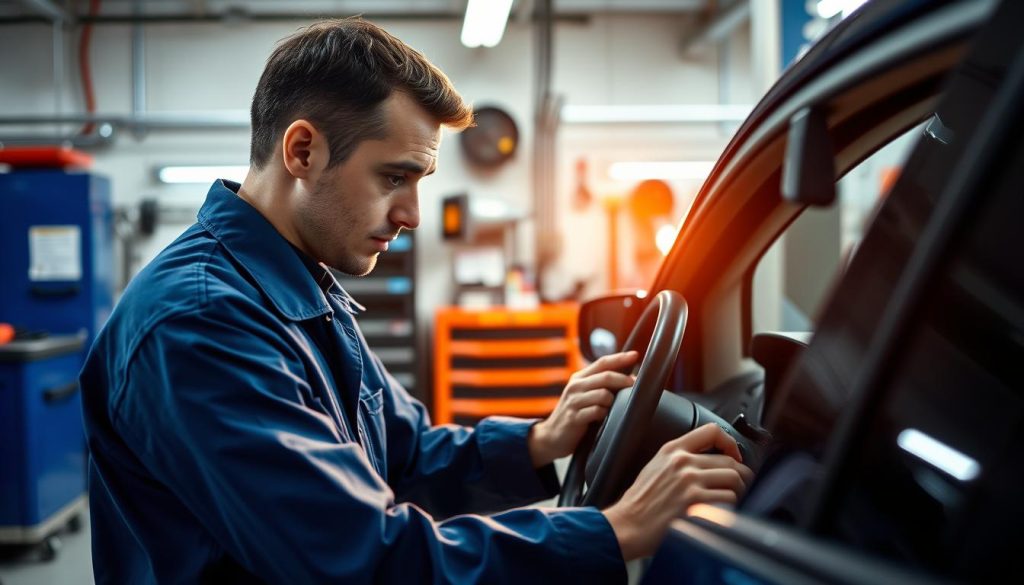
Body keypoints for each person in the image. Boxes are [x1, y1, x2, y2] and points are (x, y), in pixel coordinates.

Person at [80, 18, 753, 584]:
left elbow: (403, 455)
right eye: (394, 177)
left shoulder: (301, 288)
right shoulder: (201, 323)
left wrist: (541, 441)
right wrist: (615, 530)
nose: (413, 214)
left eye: (420, 179)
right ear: (303, 150)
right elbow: (361, 561)